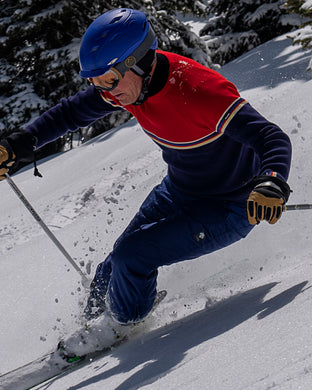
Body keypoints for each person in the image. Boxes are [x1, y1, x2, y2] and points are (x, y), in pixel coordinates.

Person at [0, 8, 291, 325]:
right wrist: (17, 145)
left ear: (137, 61)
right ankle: (89, 329)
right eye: (95, 83)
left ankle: (119, 328)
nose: (105, 93)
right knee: (111, 268)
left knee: (133, 256)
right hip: (179, 191)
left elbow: (271, 138)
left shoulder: (197, 91)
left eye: (109, 80)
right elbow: (70, 114)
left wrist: (272, 182)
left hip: (232, 205)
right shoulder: (125, 86)